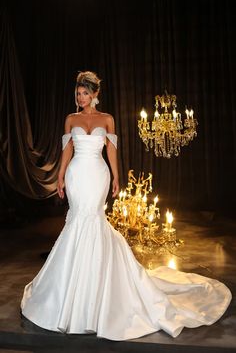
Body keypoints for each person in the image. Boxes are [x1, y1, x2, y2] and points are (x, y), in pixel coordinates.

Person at [21, 71, 232, 341]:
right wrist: (61, 176)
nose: (81, 97)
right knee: (77, 221)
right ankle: (69, 291)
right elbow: (67, 150)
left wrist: (117, 176)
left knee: (94, 220)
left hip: (98, 173)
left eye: (85, 93)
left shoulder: (106, 119)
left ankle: (95, 292)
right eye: (78, 93)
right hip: (76, 174)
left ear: (95, 94)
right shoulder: (70, 119)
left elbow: (111, 150)